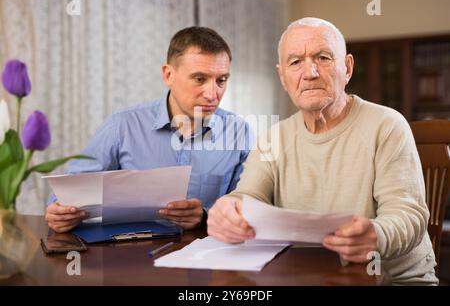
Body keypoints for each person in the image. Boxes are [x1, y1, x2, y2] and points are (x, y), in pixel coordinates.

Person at [207, 17, 438, 285]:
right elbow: (247, 196)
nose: (310, 73)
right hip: (307, 276)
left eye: (323, 58)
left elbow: (408, 214)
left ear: (347, 67)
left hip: (391, 280)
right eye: (295, 62)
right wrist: (228, 209)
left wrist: (376, 235)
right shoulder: (273, 137)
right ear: (283, 77)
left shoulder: (387, 125)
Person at [46, 26, 251, 233]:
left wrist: (205, 217)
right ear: (168, 75)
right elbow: (68, 193)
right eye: (199, 79)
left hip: (205, 256)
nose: (212, 94)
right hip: (131, 256)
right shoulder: (122, 126)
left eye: (221, 80)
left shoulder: (239, 132)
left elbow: (247, 206)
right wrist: (59, 211)